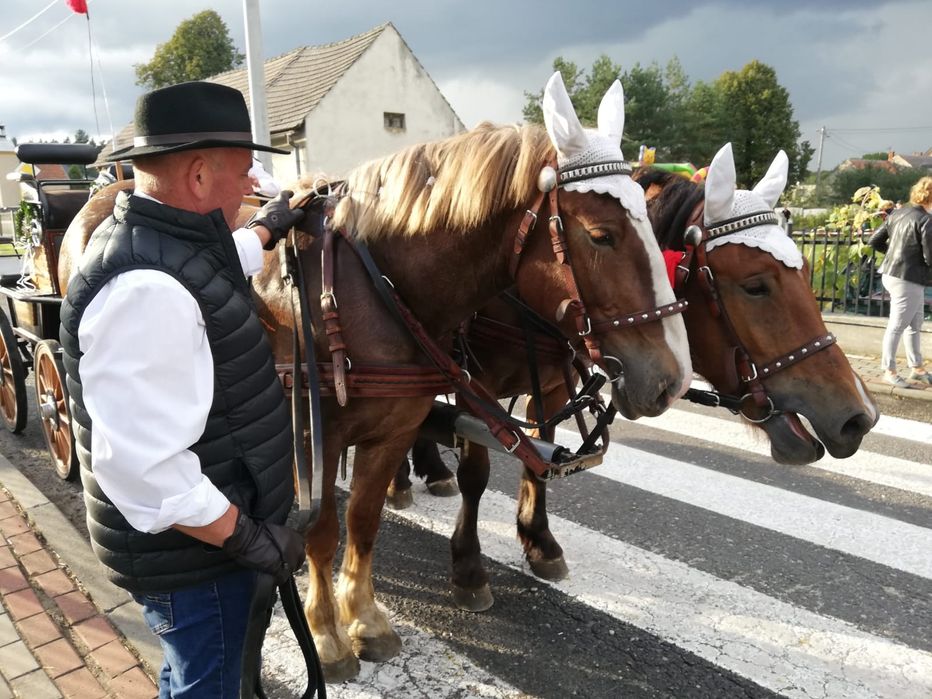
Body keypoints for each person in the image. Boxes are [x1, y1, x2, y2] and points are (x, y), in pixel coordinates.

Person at [59, 81, 307, 697]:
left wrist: (271, 227)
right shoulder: (147, 290)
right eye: (246, 174)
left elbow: (220, 261)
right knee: (207, 686)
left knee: (192, 675)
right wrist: (248, 538)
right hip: (201, 566)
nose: (251, 191)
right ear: (199, 174)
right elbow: (147, 471)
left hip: (197, 558)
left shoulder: (172, 243)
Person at [868, 176, 932, 387]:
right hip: (908, 278)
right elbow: (930, 257)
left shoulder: (898, 212)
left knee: (914, 323)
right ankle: (889, 370)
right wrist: (903, 257)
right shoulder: (926, 220)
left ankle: (917, 368)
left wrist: (894, 255)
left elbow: (874, 240)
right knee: (897, 325)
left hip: (892, 274)